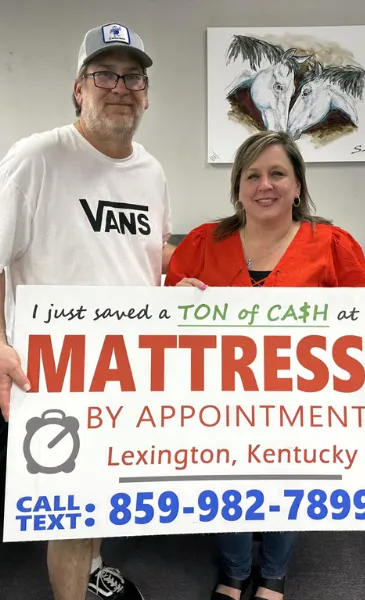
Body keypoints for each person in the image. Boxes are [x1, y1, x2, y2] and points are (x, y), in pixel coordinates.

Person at [164, 130, 365, 600]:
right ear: (239, 187)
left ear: (298, 185)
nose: (264, 185)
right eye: (253, 175)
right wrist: (176, 295)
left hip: (299, 400)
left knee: (290, 478)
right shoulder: (205, 241)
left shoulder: (331, 242)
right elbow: (162, 310)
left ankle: (273, 574)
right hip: (220, 398)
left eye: (277, 174)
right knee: (227, 478)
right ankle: (235, 570)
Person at [0, 22, 175, 600]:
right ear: (79, 87)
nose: (119, 86)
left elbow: (142, 258)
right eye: (104, 74)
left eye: (133, 76)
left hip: (129, 366)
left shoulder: (150, 171)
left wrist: (186, 286)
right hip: (58, 369)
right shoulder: (37, 158)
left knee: (107, 492)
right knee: (71, 510)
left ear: (146, 92)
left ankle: (96, 570)